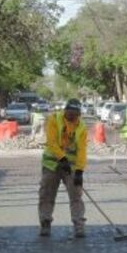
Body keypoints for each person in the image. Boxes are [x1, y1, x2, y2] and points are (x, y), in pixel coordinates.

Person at [38, 98, 87, 238]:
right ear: (65, 111)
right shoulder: (54, 120)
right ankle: (45, 222)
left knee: (76, 195)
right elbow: (52, 142)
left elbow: (82, 150)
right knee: (46, 195)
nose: (72, 117)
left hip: (70, 167)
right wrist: (62, 158)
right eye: (70, 114)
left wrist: (79, 171)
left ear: (79, 114)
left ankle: (79, 225)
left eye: (75, 115)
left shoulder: (81, 127)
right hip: (51, 165)